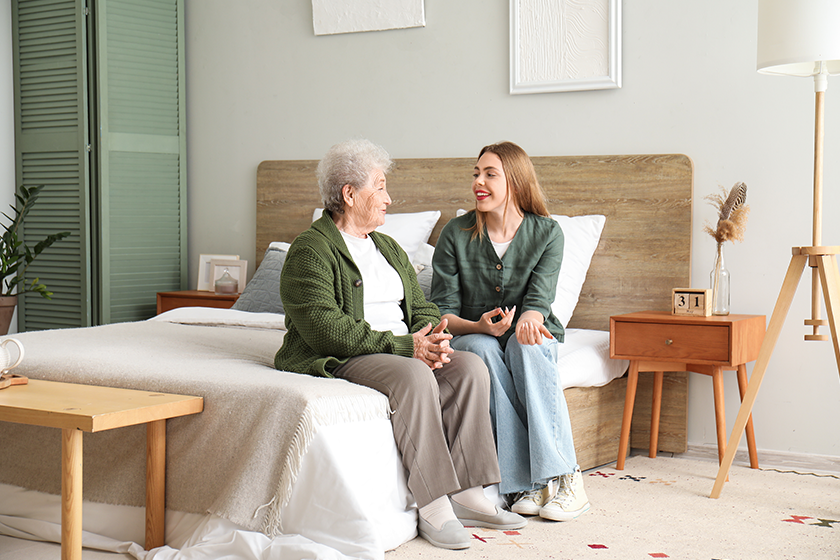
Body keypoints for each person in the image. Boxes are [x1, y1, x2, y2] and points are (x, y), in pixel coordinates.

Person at [274, 139, 525, 550]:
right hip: (346, 353)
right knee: (413, 375)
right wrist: (409, 347)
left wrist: (434, 336)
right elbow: (324, 329)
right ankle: (433, 502)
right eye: (380, 187)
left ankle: (467, 493)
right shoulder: (311, 249)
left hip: (401, 347)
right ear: (349, 194)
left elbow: (422, 306)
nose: (389, 199)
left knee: (469, 367)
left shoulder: (387, 246)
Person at [430, 141, 590, 521]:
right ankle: (526, 483)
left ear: (515, 182)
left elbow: (540, 298)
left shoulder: (548, 233)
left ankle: (566, 476)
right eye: (476, 174)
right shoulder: (455, 233)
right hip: (473, 333)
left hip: (527, 332)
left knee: (526, 346)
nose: (478, 183)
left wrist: (531, 318)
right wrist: (478, 325)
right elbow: (442, 313)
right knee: (482, 350)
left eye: (489, 174)